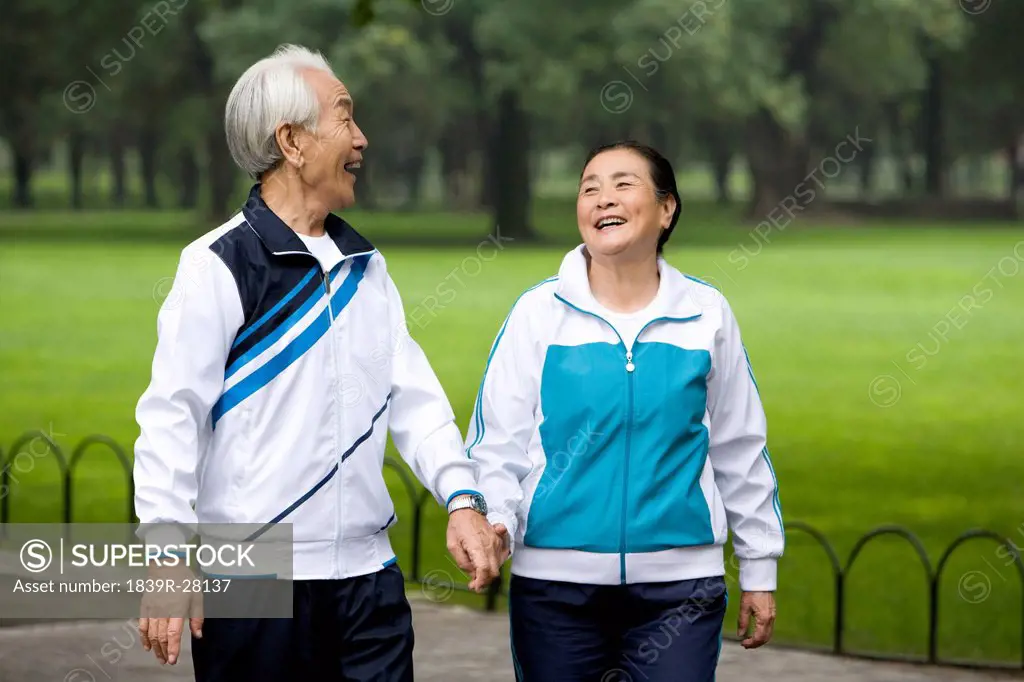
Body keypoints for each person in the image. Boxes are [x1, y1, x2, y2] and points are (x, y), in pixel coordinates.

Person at [131, 44, 504, 680]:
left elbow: (412, 399)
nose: (361, 138)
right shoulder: (218, 265)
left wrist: (463, 498)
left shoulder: (366, 267)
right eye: (344, 118)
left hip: (369, 581)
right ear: (292, 141)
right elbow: (174, 416)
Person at [466, 141, 785, 681]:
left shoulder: (705, 314)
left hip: (681, 592)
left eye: (622, 184)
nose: (601, 198)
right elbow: (498, 442)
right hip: (555, 591)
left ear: (666, 209)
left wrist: (759, 568)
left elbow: (739, 447)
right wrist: (496, 521)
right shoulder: (538, 313)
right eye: (589, 187)